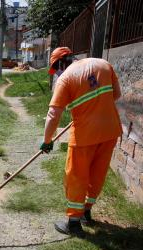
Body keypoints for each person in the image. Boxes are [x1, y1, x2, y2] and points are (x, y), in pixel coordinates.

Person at [40, 47, 122, 236]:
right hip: (110, 131)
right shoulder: (103, 64)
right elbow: (115, 95)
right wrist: (93, 107)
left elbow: (53, 114)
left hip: (85, 136)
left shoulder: (66, 78)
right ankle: (86, 212)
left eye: (56, 68)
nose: (57, 72)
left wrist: (47, 140)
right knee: (97, 174)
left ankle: (74, 223)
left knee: (76, 176)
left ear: (61, 62)